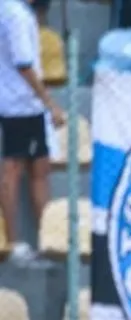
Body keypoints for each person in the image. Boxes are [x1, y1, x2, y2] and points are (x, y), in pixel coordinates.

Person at [0, 0, 63, 262]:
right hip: (20, 103)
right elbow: (24, 64)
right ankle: (14, 242)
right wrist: (50, 103)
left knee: (40, 169)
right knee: (13, 169)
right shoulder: (15, 15)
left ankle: (48, 242)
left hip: (22, 103)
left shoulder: (11, 10)